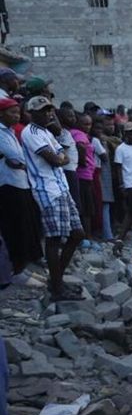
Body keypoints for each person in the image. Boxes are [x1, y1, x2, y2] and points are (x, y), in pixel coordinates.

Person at [21, 97, 85, 301]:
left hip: (61, 188)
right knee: (54, 239)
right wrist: (59, 157)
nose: (49, 113)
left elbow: (62, 156)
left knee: (77, 234)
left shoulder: (46, 132)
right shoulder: (29, 133)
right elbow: (57, 159)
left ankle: (55, 280)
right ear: (32, 113)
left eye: (50, 110)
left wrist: (60, 157)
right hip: (47, 189)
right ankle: (57, 288)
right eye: (43, 110)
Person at [0, 97, 42, 280]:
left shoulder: (9, 132)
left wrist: (22, 163)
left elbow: (21, 159)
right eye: (12, 112)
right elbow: (16, 156)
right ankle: (17, 270)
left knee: (27, 226)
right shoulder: (1, 133)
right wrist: (23, 163)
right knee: (15, 228)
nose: (17, 116)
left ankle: (24, 266)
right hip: (9, 186)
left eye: (18, 112)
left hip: (21, 183)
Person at [71, 113, 96, 238]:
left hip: (85, 174)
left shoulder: (78, 133)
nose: (88, 127)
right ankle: (87, 236)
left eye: (90, 124)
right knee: (86, 208)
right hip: (83, 175)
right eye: (85, 124)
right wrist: (83, 163)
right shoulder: (78, 134)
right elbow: (80, 147)